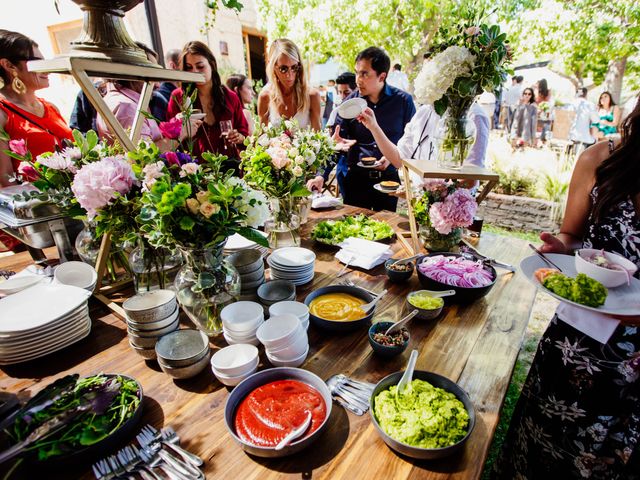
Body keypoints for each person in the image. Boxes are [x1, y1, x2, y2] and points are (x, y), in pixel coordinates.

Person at [492, 97, 640, 479]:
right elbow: (572, 235)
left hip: (635, 364)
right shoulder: (600, 158)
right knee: (540, 449)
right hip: (576, 341)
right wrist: (561, 248)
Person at [308, 47, 416, 212]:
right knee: (354, 232)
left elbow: (413, 143)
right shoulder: (349, 104)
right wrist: (320, 175)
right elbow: (337, 145)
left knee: (386, 233)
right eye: (357, 72)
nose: (358, 80)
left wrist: (393, 155)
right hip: (355, 183)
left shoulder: (404, 102)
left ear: (382, 76)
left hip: (389, 183)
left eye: (365, 74)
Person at [0, 30, 72, 187]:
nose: (46, 69)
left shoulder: (52, 107)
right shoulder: (2, 114)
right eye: (36, 62)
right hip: (40, 207)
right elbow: (6, 181)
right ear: (8, 65)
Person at [167, 41, 248, 171]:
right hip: (194, 172)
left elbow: (245, 135)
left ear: (212, 64)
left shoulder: (230, 97)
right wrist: (181, 126)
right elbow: (170, 137)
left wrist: (238, 137)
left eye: (200, 66)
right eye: (189, 67)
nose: (194, 72)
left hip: (229, 168)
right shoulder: (178, 98)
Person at [97, 43, 194, 147]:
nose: (157, 85)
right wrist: (182, 133)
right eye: (152, 74)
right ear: (134, 71)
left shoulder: (119, 99)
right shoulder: (126, 106)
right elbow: (144, 156)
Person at [257, 38, 321, 131]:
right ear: (273, 67)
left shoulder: (312, 95)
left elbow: (318, 139)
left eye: (294, 67)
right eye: (283, 68)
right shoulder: (265, 96)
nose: (289, 75)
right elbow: (261, 138)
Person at [569, 87, 597, 155]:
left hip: (569, 137)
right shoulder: (590, 105)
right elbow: (596, 120)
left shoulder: (570, 104)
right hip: (584, 139)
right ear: (586, 94)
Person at [536, 78, 553, 143]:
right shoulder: (548, 91)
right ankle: (543, 140)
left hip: (539, 110)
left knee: (538, 126)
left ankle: (538, 140)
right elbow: (548, 100)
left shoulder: (538, 92)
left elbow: (536, 101)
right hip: (545, 111)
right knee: (544, 125)